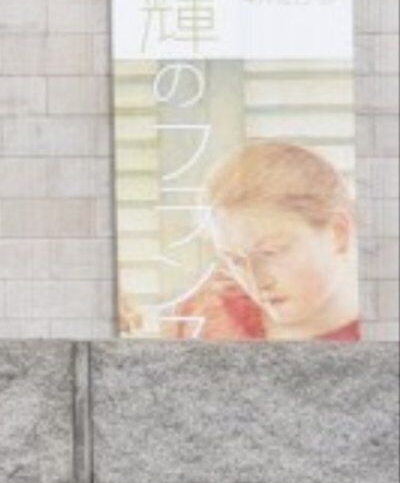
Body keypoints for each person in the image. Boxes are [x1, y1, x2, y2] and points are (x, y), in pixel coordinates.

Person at [146, 138, 361, 341]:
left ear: (337, 233)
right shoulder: (205, 314)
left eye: (270, 252)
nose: (258, 282)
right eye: (236, 261)